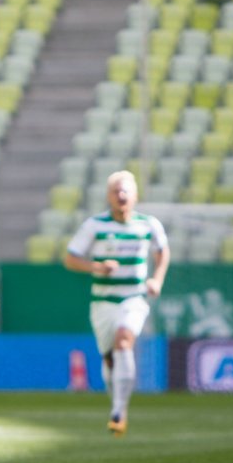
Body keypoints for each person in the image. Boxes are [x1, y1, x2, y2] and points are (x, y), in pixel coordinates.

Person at [64, 170, 169, 437]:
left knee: (125, 341)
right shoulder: (95, 225)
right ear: (109, 196)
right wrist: (97, 267)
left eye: (126, 191)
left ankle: (119, 411)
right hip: (103, 303)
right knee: (110, 357)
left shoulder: (148, 224)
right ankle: (116, 402)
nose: (121, 196)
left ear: (135, 195)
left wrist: (156, 279)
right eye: (116, 191)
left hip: (133, 298)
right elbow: (71, 258)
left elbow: (162, 251)